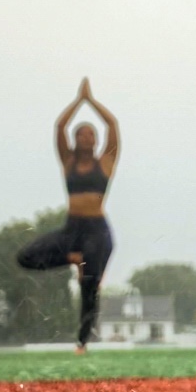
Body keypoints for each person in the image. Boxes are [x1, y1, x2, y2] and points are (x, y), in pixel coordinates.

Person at [17, 77, 119, 355]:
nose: (86, 136)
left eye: (90, 134)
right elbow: (59, 126)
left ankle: (82, 343)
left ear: (96, 140)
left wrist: (92, 101)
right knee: (25, 256)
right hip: (71, 229)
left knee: (90, 286)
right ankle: (73, 258)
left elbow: (112, 125)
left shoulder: (106, 162)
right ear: (75, 141)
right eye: (81, 133)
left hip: (97, 232)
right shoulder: (68, 161)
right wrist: (78, 101)